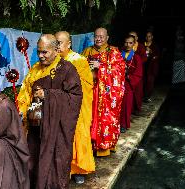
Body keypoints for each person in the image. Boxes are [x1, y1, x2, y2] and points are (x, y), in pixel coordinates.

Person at [17, 34, 83, 189]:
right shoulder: (35, 69)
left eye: (45, 52)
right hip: (36, 123)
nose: (40, 56)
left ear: (56, 50)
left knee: (55, 163)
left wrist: (47, 95)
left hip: (56, 130)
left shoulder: (67, 69)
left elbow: (75, 97)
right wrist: (22, 110)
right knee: (34, 159)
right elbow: (25, 93)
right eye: (39, 51)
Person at [55, 31, 95, 184]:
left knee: (77, 135)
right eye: (55, 43)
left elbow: (85, 85)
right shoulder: (52, 60)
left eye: (59, 42)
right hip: (58, 105)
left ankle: (79, 169)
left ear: (69, 44)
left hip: (75, 105)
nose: (56, 46)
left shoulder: (78, 60)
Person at [81, 27, 125, 157]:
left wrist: (101, 67)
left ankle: (104, 148)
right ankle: (89, 146)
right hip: (89, 90)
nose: (98, 38)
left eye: (101, 36)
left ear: (107, 38)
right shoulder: (87, 51)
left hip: (105, 93)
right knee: (88, 118)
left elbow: (119, 72)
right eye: (96, 36)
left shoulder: (113, 52)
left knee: (104, 120)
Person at [120, 35, 143, 133]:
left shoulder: (136, 57)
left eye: (130, 43)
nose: (128, 45)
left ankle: (124, 124)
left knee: (126, 105)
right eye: (126, 42)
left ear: (134, 44)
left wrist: (129, 76)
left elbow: (138, 73)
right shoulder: (118, 55)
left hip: (128, 84)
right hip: (117, 83)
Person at [128, 31, 147, 114]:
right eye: (131, 36)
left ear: (137, 38)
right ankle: (130, 109)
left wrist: (136, 62)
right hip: (128, 72)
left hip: (137, 71)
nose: (132, 37)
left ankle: (137, 108)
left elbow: (144, 58)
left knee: (138, 92)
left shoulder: (141, 46)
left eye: (134, 36)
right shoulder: (126, 46)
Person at [144, 31, 160, 102]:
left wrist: (151, 52)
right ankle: (143, 96)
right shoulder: (143, 45)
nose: (148, 38)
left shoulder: (155, 46)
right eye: (147, 36)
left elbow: (158, 56)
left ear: (152, 37)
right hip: (144, 65)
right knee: (144, 81)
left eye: (149, 36)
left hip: (151, 66)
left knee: (150, 82)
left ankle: (148, 96)